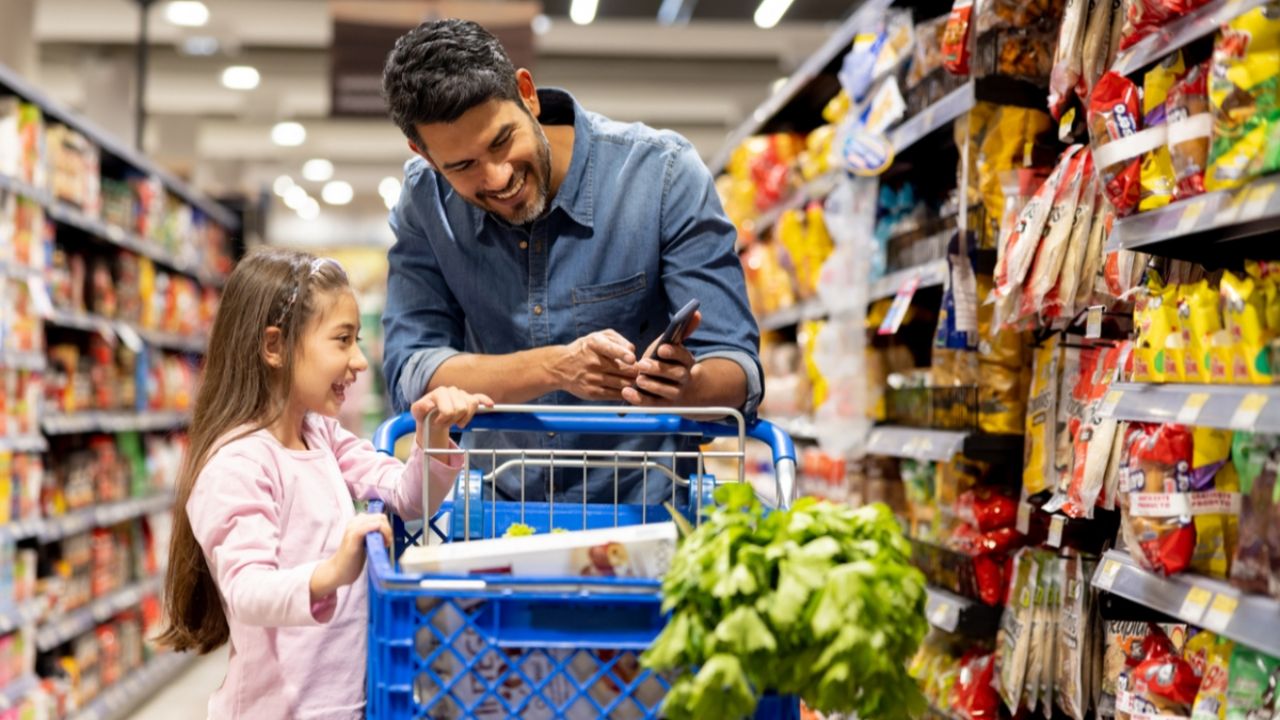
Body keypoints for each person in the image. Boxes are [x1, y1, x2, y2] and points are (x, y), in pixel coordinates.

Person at [380, 19, 761, 504]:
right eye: (462, 166)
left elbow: (737, 366)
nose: (497, 178)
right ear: (424, 155)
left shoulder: (661, 176)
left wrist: (684, 386)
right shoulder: (424, 203)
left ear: (527, 94)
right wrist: (557, 367)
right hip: (495, 514)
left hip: (652, 514)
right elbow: (412, 370)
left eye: (501, 142)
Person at [156, 248, 492, 719]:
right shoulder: (236, 463)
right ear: (274, 346)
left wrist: (433, 434)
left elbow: (408, 496)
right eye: (342, 340)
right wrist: (333, 570)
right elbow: (248, 589)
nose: (358, 361)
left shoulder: (322, 435)